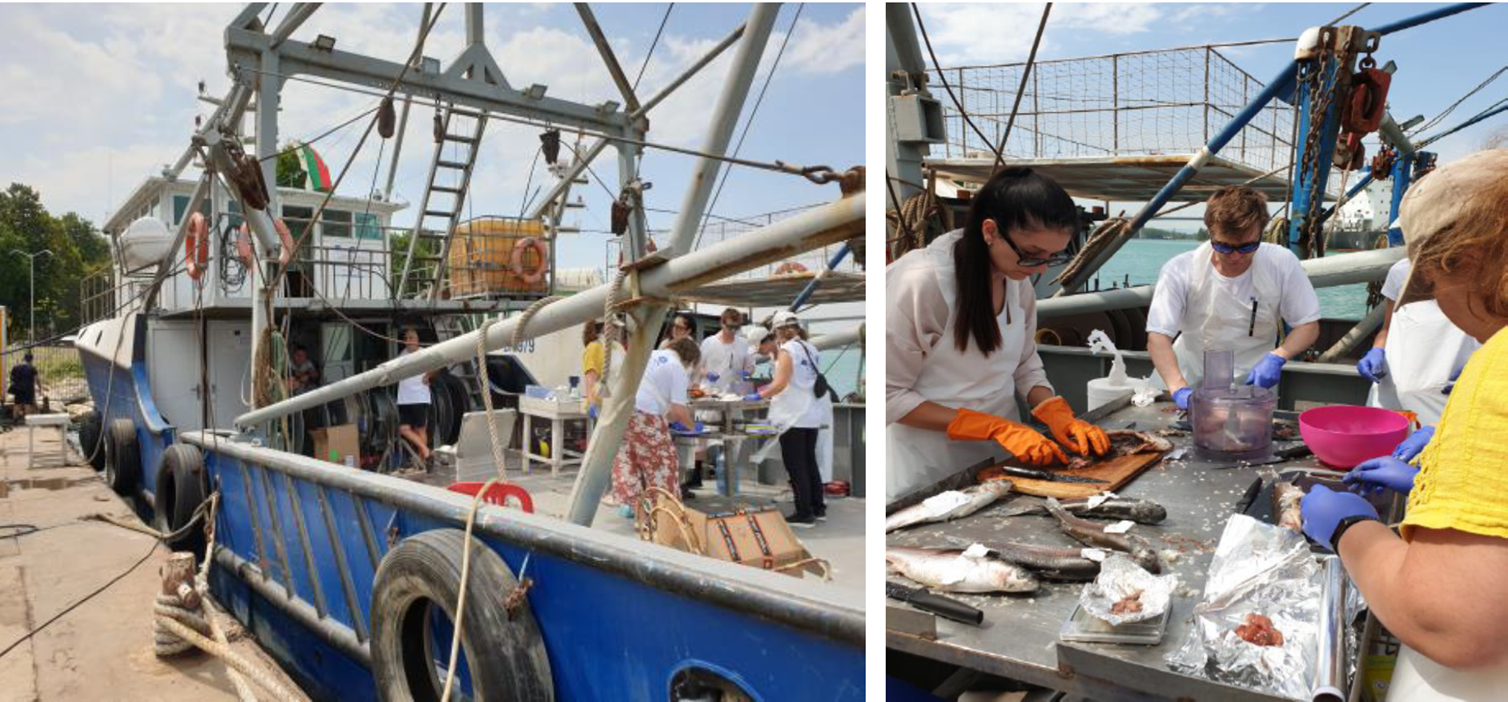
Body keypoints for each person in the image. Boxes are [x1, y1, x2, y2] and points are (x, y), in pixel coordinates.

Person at [1303, 150, 1508, 697]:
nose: (1436, 302)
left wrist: (1351, 530)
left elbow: (1453, 621)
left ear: (1462, 262)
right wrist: (1437, 466)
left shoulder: (1500, 367)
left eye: (1434, 285)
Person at [886, 167, 1109, 500]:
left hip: (1004, 462)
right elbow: (889, 398)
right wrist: (995, 427)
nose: (1043, 268)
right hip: (928, 469)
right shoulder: (921, 282)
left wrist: (1053, 410)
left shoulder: (1017, 279)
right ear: (990, 230)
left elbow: (1023, 361)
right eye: (1032, 254)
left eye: (1054, 256)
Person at [1146, 186, 1322, 408]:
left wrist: (1278, 356)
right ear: (1210, 233)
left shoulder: (1282, 263)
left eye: (1248, 246)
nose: (1236, 256)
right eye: (1224, 246)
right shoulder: (1179, 269)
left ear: (1261, 233)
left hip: (1252, 384)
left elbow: (1308, 325)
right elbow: (1158, 337)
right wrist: (1179, 388)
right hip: (1188, 374)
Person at [746, 311, 825, 527]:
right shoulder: (811, 347)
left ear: (777, 331)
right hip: (811, 414)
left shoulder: (788, 350)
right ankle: (818, 508)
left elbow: (780, 384)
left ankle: (804, 513)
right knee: (809, 462)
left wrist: (756, 395)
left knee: (796, 465)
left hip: (793, 416)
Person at [611, 336, 699, 518]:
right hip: (646, 414)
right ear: (689, 359)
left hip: (622, 409)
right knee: (663, 463)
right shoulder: (677, 367)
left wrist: (669, 419)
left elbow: (666, 407)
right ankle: (666, 510)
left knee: (629, 459)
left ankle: (633, 507)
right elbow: (679, 410)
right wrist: (693, 427)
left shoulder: (650, 354)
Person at [394, 329, 437, 466]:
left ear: (417, 340)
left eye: (411, 337)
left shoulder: (424, 353)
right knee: (403, 429)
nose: (408, 340)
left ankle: (422, 461)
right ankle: (426, 451)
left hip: (419, 398)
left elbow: (439, 363)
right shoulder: (402, 354)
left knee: (420, 430)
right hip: (404, 399)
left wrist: (428, 375)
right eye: (406, 338)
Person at [699, 308, 754, 393]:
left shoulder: (744, 344)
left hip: (733, 394)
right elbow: (697, 367)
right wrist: (707, 373)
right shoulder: (708, 342)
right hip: (710, 392)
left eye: (736, 327)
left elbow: (750, 368)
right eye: (730, 327)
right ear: (722, 323)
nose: (733, 330)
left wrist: (746, 372)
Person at [581, 318, 626, 418]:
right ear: (605, 327)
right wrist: (592, 403)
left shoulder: (618, 347)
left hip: (617, 402)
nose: (618, 330)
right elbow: (590, 379)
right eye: (615, 326)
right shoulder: (594, 347)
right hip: (601, 405)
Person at [8, 352, 39, 421]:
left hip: (18, 388)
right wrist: (40, 388)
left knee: (17, 404)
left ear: (24, 358)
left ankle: (15, 420)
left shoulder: (15, 367)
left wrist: (15, 384)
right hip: (28, 389)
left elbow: (11, 378)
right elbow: (37, 379)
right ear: (31, 360)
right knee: (27, 404)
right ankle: (27, 421)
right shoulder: (32, 368)